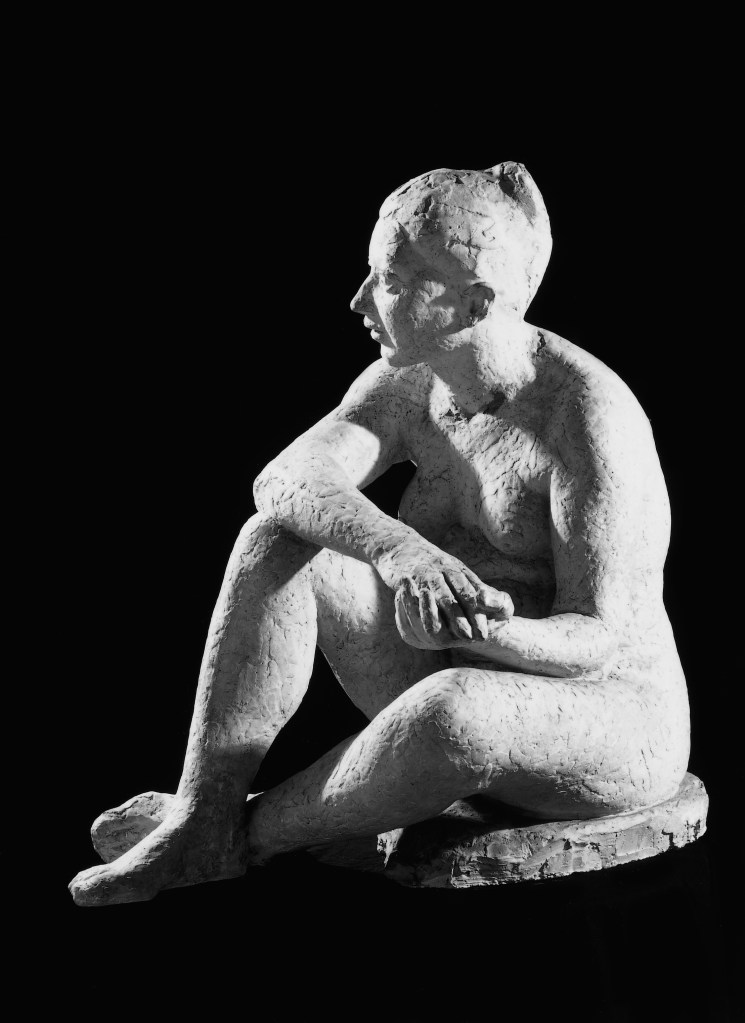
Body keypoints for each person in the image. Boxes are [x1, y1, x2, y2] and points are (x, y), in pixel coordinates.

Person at [69, 162, 690, 906]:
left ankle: (233, 836)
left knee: (453, 712)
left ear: (472, 303)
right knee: (275, 541)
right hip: (448, 656)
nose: (360, 299)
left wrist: (490, 629)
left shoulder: (587, 420)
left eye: (391, 281)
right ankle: (203, 809)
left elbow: (599, 637)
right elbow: (286, 478)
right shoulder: (410, 381)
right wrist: (402, 552)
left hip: (605, 715)